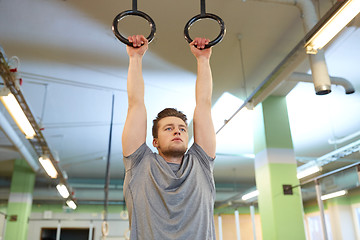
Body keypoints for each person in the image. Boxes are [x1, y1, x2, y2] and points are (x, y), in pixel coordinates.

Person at [122, 35, 216, 240]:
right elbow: (135, 103)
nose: (177, 131)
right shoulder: (139, 163)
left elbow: (204, 104)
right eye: (169, 129)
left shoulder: (201, 163)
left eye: (182, 129)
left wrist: (203, 60)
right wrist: (135, 58)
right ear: (154, 142)